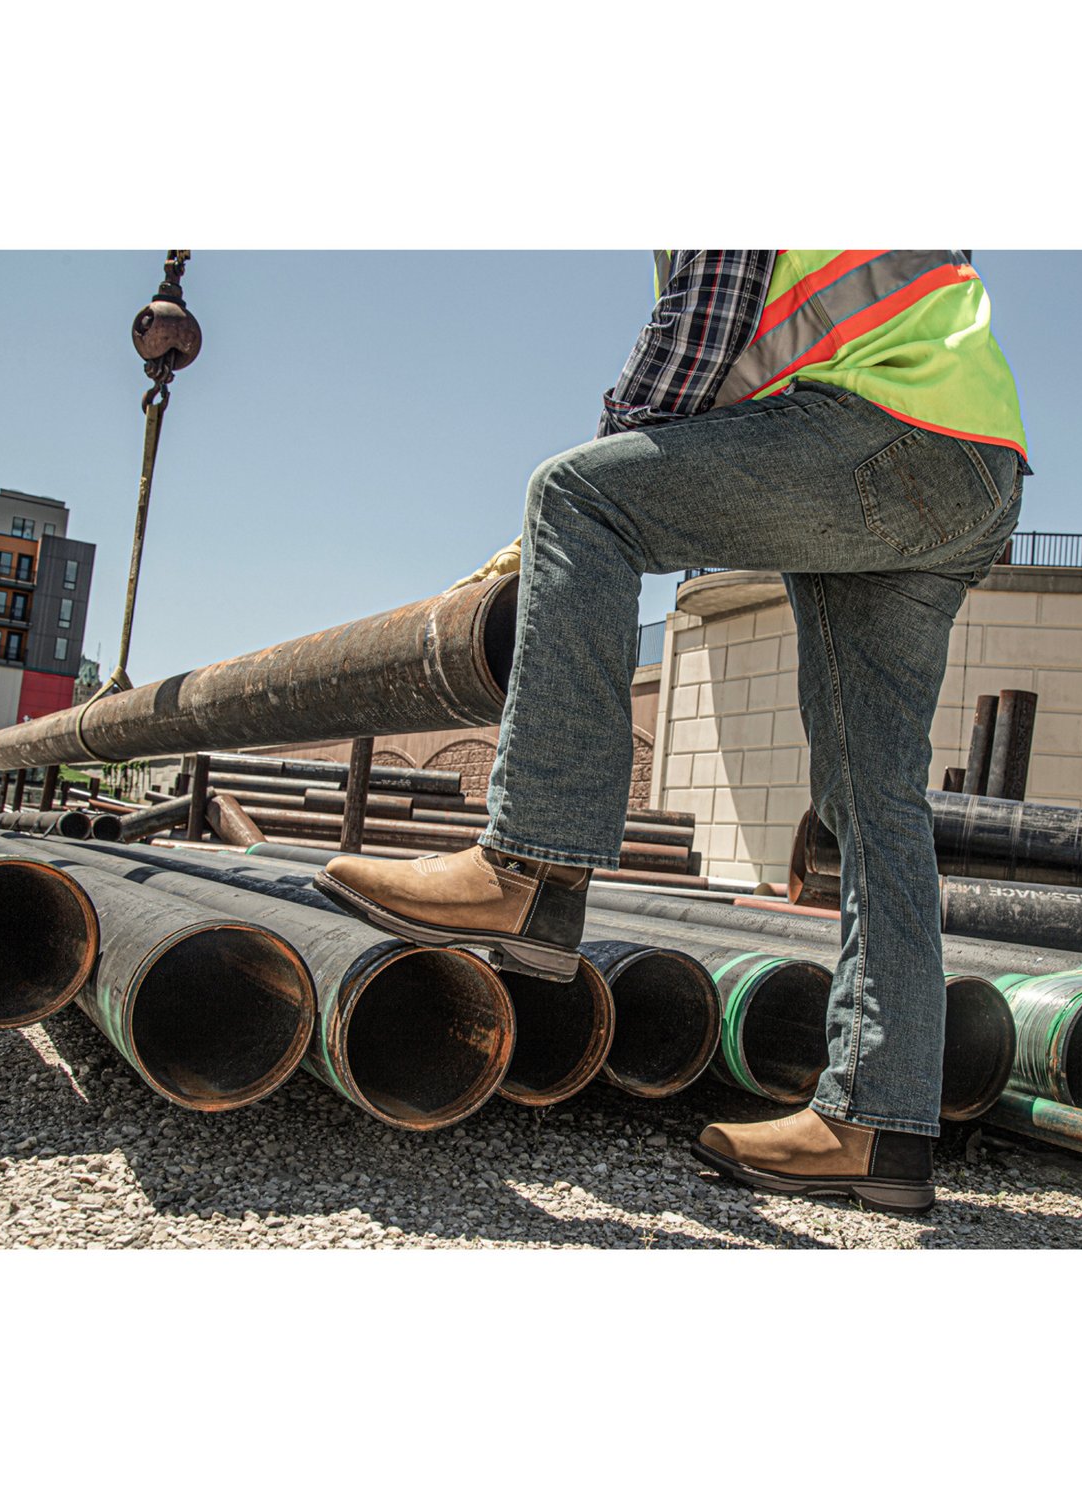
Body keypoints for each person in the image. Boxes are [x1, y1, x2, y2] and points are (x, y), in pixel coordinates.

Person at [316, 250, 1029, 1213]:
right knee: (875, 803)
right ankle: (879, 1122)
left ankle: (527, 869)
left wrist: (553, 533)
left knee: (577, 494)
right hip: (970, 459)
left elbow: (699, 331)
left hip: (881, 436)